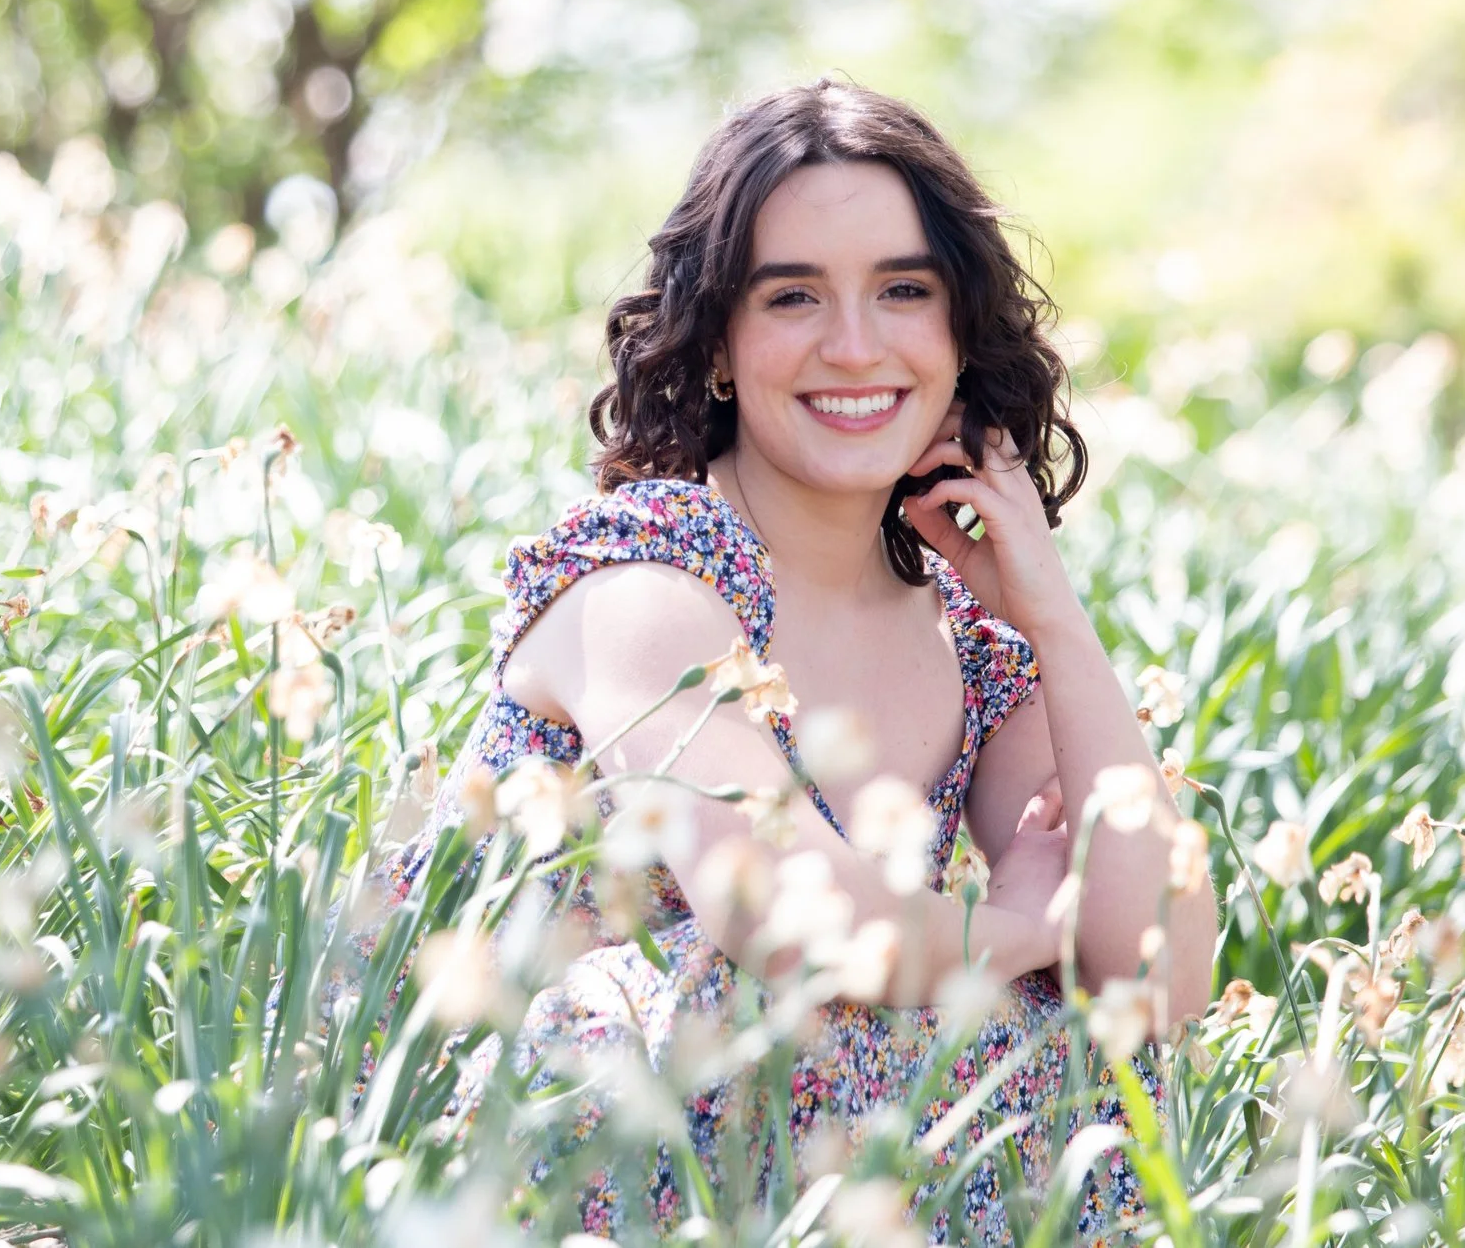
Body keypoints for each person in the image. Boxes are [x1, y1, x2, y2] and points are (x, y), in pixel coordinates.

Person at [380, 77, 1218, 1240]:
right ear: (718, 343)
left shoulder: (973, 650)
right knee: (761, 1001)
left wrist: (1054, 622)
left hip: (794, 1179)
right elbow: (789, 923)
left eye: (902, 290)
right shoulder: (645, 580)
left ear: (959, 333)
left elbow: (1159, 980)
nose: (854, 344)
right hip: (486, 1164)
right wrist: (1018, 929)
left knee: (1084, 1055)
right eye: (792, 297)